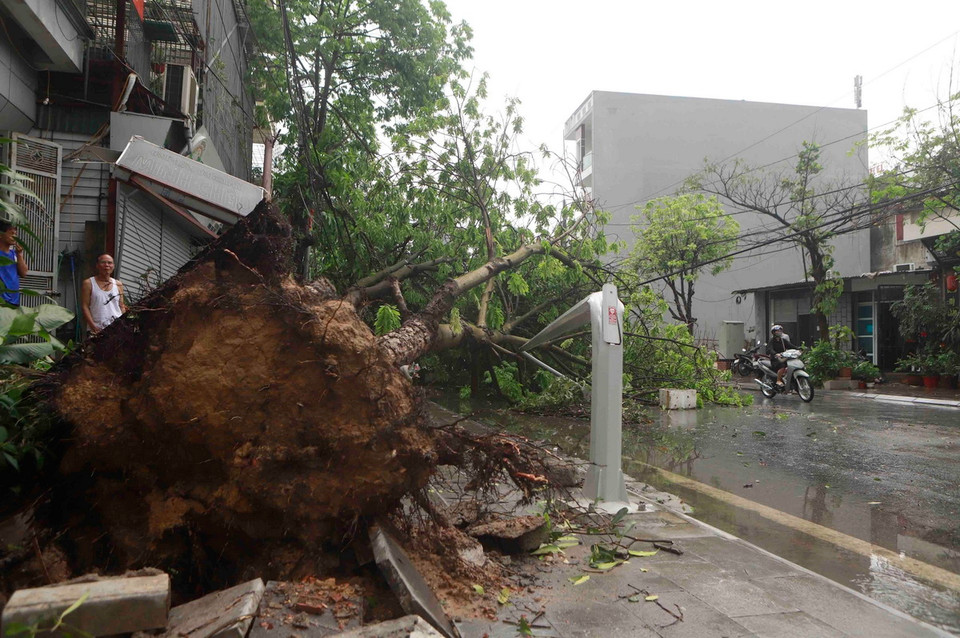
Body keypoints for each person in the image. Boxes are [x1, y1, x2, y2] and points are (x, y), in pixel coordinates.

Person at [81, 254, 127, 333]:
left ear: (113, 266)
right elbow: (85, 306)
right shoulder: (88, 283)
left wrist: (124, 324)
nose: (107, 265)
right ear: (97, 265)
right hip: (97, 330)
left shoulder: (118, 284)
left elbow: (121, 306)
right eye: (103, 262)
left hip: (117, 329)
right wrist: (93, 326)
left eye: (110, 263)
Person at [0, 219, 28, 307]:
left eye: (15, 234)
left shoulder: (14, 254)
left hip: (14, 301)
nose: (14, 236)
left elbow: (23, 273)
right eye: (11, 233)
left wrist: (19, 254)